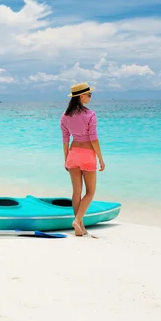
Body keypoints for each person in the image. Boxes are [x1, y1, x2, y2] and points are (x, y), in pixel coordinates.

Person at [60, 82, 105, 236]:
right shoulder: (90, 115)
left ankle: (80, 227)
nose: (90, 97)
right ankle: (77, 220)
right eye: (89, 94)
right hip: (87, 155)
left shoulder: (65, 116)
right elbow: (94, 139)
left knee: (76, 192)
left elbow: (65, 140)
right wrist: (101, 158)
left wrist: (66, 158)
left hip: (73, 155)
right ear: (81, 96)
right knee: (90, 192)